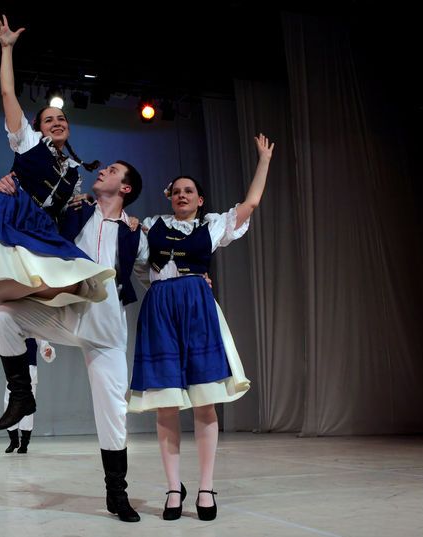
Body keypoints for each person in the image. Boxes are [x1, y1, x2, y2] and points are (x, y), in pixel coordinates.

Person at [0, 12, 114, 338]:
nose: (57, 123)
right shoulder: (28, 142)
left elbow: (65, 209)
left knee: (70, 283)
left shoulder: (74, 172)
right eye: (49, 120)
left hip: (43, 226)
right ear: (37, 127)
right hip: (17, 214)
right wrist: (7, 48)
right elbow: (7, 94)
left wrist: (84, 203)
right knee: (34, 277)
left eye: (62, 118)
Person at [0, 160, 146, 522]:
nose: (102, 171)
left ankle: (117, 494)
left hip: (107, 332)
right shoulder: (74, 210)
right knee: (3, 315)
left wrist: (194, 278)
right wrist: (1, 190)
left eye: (112, 170)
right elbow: (29, 214)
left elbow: (152, 272)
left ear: (125, 188)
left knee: (113, 413)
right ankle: (22, 394)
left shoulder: (136, 232)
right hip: (67, 313)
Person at [128, 134, 274, 521]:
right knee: (165, 403)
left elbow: (251, 203)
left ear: (200, 199)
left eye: (188, 191)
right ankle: (173, 487)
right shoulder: (151, 226)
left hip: (197, 308)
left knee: (204, 400)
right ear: (169, 197)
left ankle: (206, 486)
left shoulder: (212, 226)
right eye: (176, 191)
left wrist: (263, 160)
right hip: (161, 310)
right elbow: (139, 263)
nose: (182, 195)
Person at [0, 338, 55, 453]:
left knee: (27, 408)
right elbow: (2, 344)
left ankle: (24, 443)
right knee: (9, 406)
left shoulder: (34, 332)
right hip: (13, 372)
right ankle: (13, 441)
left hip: (30, 373)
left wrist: (49, 351)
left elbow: (45, 347)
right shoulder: (12, 332)